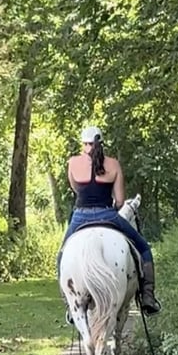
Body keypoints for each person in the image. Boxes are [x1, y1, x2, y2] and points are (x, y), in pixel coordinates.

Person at [58, 126, 161, 315]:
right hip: (108, 215)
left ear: (84, 144)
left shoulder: (73, 163)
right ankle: (148, 296)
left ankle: (69, 301)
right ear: (102, 143)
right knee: (144, 248)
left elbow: (76, 189)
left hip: (80, 216)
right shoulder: (113, 164)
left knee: (62, 253)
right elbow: (121, 201)